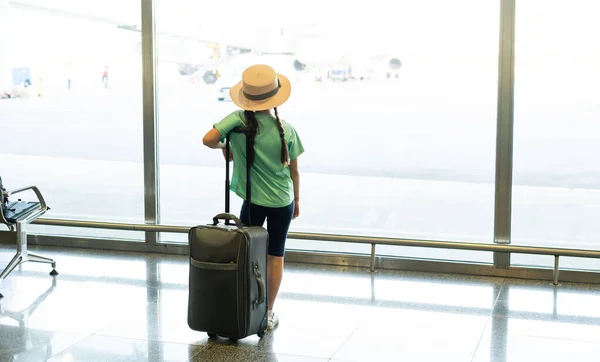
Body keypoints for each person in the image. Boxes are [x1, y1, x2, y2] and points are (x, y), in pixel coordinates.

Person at [202, 64, 304, 330]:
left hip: (254, 201)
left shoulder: (238, 120)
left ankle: (244, 304)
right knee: (275, 255)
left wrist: (228, 146)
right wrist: (298, 200)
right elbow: (294, 171)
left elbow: (208, 139)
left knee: (248, 253)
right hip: (283, 201)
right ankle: (268, 313)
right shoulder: (287, 129)